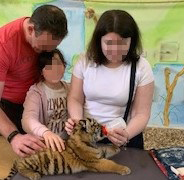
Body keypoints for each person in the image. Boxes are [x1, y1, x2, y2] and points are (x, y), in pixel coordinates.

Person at [0, 5, 68, 157]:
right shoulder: (2, 43)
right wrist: (14, 136)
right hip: (3, 104)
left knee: (33, 150)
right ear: (31, 29)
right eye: (42, 47)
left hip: (33, 101)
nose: (46, 51)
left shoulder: (45, 38)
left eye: (51, 48)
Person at [65, 10, 154, 149]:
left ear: (132, 40)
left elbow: (141, 113)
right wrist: (77, 120)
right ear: (99, 40)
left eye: (123, 43)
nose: (115, 50)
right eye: (109, 43)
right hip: (87, 137)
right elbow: (75, 98)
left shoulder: (141, 67)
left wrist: (126, 134)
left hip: (124, 138)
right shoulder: (84, 61)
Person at [22, 49, 69, 153]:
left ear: (64, 66)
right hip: (45, 146)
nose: (54, 69)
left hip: (67, 145)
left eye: (58, 64)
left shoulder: (70, 89)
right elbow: (28, 120)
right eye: (49, 66)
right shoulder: (36, 93)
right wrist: (46, 133)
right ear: (41, 71)